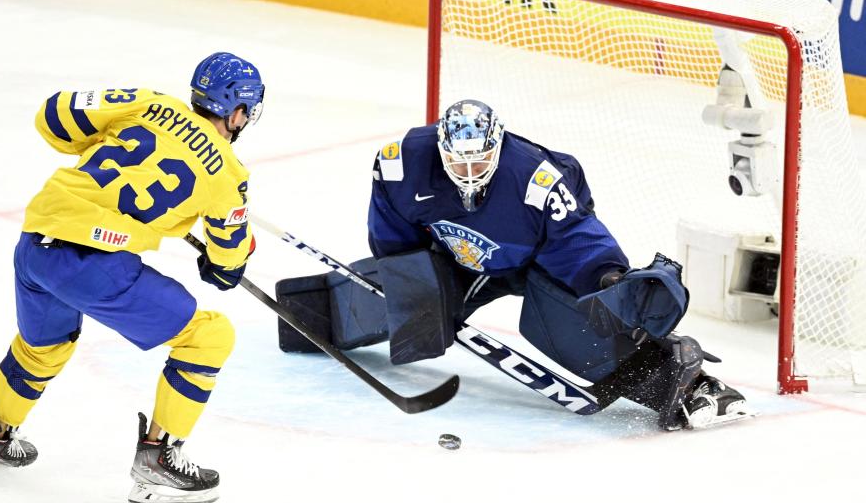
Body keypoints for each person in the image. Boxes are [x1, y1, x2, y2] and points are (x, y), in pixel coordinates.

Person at [279, 99, 751, 430]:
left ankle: (686, 381)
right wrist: (414, 285)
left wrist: (608, 279)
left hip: (538, 259)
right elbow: (392, 234)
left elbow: (576, 240)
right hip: (459, 258)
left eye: (478, 162)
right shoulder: (402, 163)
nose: (467, 175)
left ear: (497, 147)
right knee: (406, 299)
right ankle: (314, 312)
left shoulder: (536, 181)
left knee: (582, 330)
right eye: (456, 164)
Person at [0, 52, 265, 503]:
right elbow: (228, 261)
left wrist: (100, 142)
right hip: (94, 260)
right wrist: (223, 264)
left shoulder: (147, 102)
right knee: (209, 337)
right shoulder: (229, 175)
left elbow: (54, 116)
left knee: (43, 346)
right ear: (237, 112)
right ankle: (160, 459)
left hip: (37, 242)